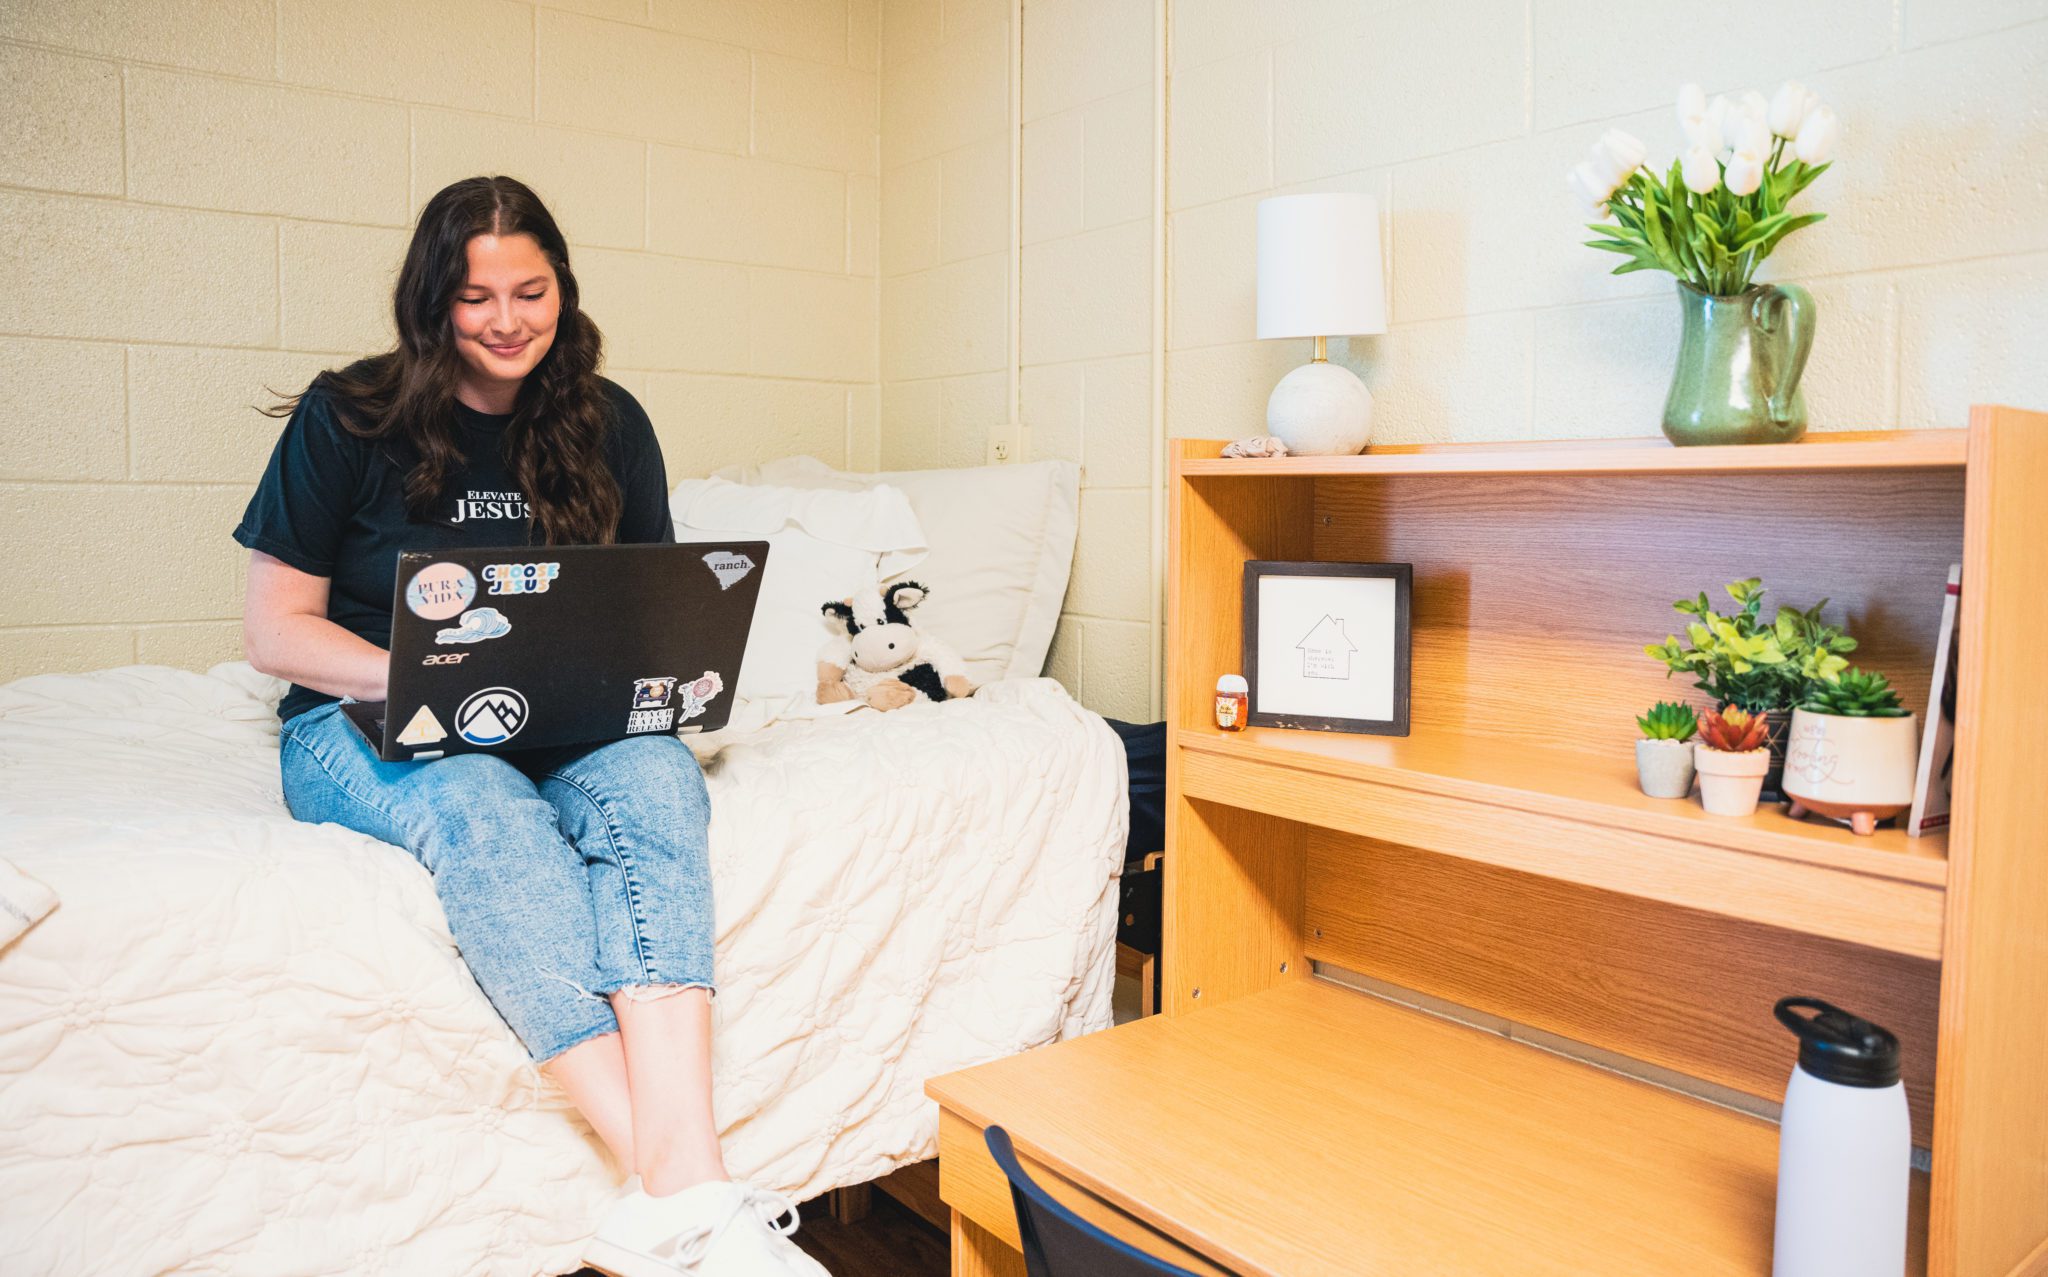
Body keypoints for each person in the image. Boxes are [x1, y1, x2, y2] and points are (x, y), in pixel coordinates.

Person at [234, 175, 829, 1277]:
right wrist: (428, 675)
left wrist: (644, 678)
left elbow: (646, 606)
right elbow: (277, 628)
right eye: (474, 297)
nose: (505, 319)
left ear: (562, 289)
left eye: (530, 289)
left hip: (557, 714)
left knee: (657, 776)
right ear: (431, 302)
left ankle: (673, 1191)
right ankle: (683, 1185)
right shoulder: (347, 416)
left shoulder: (610, 423)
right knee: (480, 805)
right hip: (359, 717)